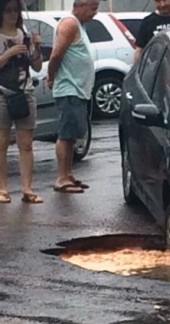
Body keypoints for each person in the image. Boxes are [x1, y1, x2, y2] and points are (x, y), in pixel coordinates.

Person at [47, 0, 99, 194]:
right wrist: (51, 76)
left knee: (73, 135)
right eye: (93, 8)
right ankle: (61, 178)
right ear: (79, 6)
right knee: (66, 135)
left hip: (79, 89)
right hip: (69, 88)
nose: (95, 13)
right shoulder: (69, 24)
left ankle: (68, 174)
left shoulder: (80, 25)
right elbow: (56, 55)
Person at [0, 0, 43, 204]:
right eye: (8, 10)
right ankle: (2, 188)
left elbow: (36, 66)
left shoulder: (25, 36)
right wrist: (7, 54)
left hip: (25, 91)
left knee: (26, 144)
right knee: (1, 143)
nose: (13, 14)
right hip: (2, 93)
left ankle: (27, 188)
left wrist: (36, 48)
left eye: (16, 10)